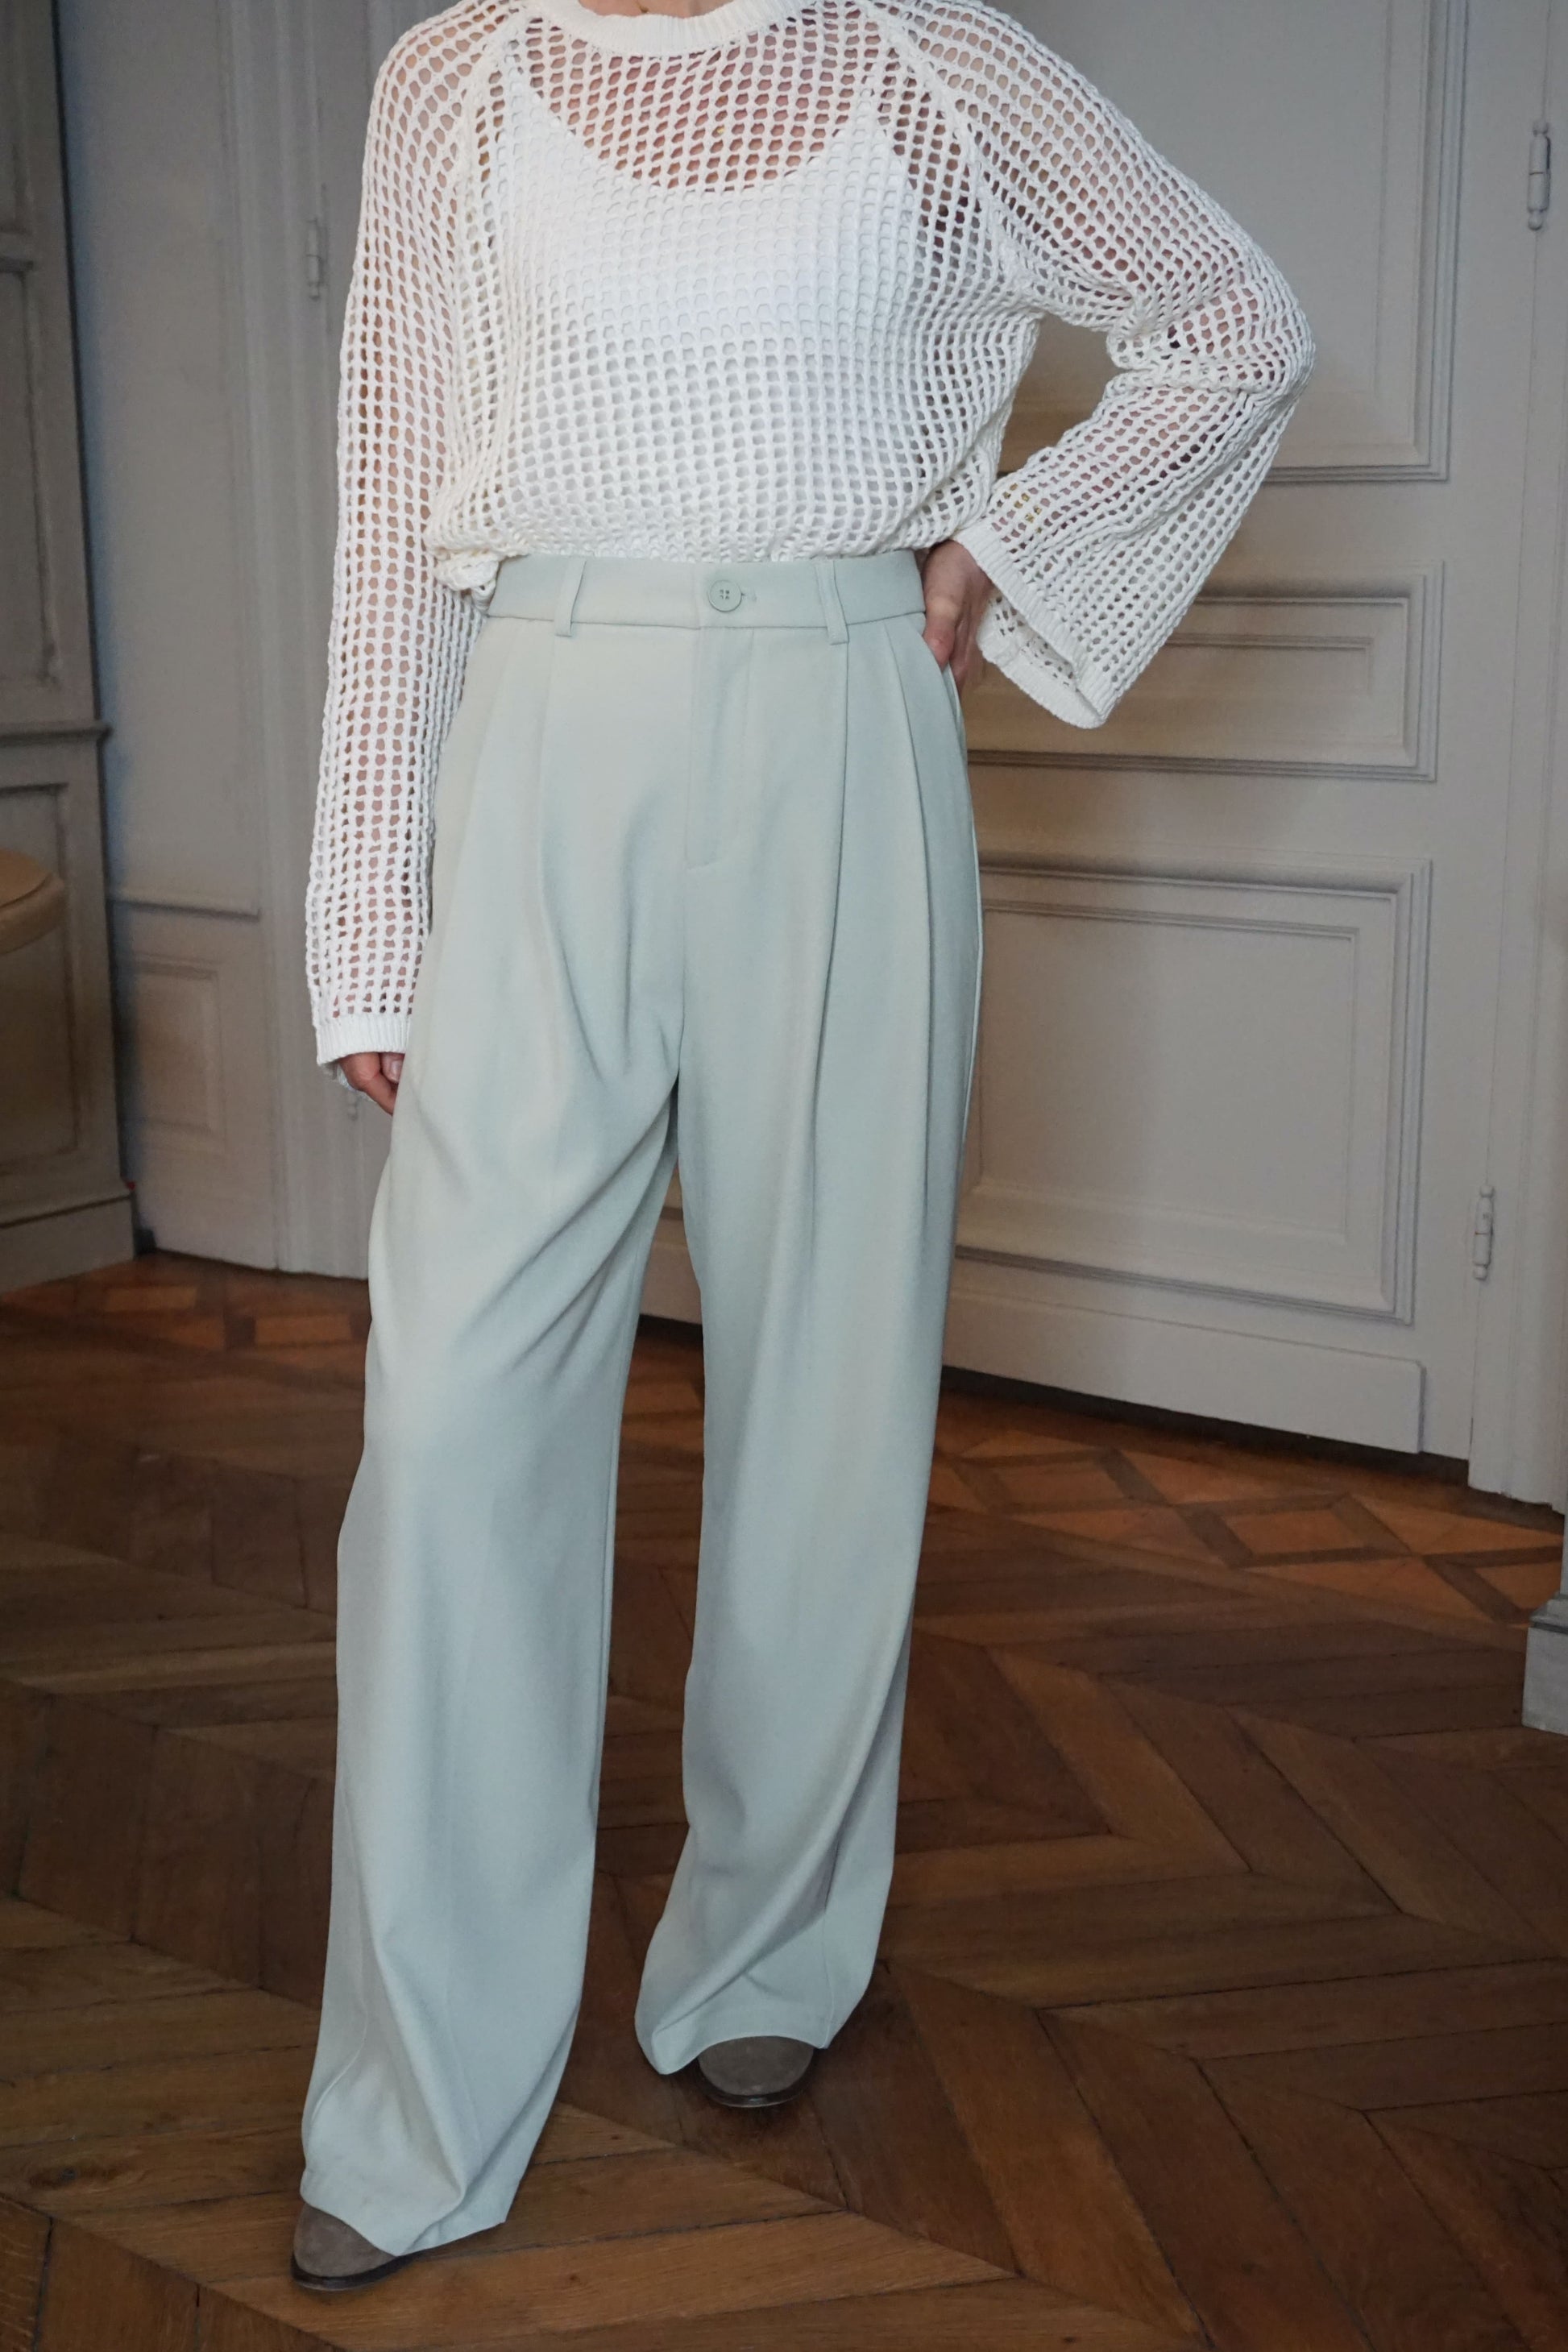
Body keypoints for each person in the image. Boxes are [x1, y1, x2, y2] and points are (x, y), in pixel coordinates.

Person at [292, 0, 1313, 2293]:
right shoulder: (457, 74)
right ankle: (415, 2093)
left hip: (852, 728)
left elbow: (1231, 321)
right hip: (539, 732)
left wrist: (998, 552)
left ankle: (763, 1947)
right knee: (448, 1423)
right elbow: (387, 508)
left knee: (829, 1394)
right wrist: (369, 923)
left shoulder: (930, 61)